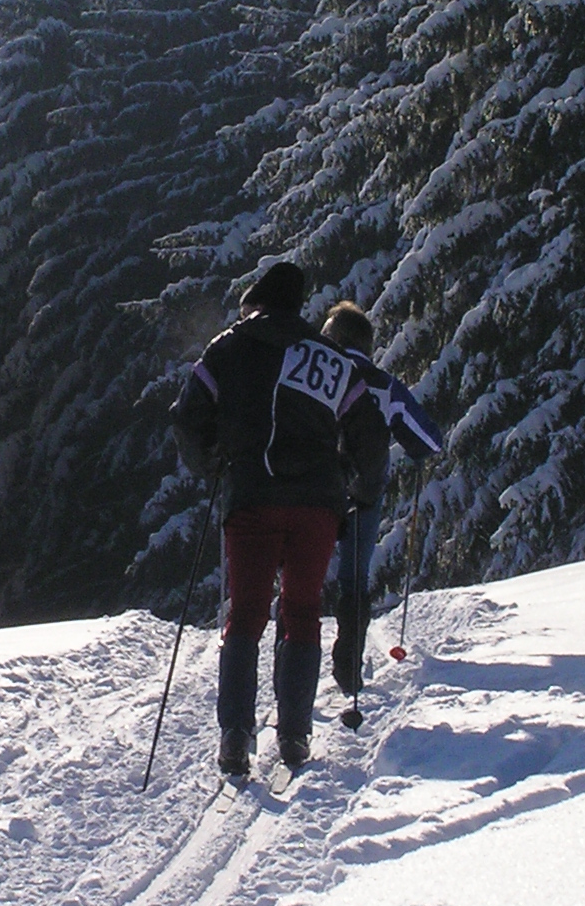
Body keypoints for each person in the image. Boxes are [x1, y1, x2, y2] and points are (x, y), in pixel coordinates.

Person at [170, 262, 380, 777]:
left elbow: (186, 416)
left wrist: (211, 464)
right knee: (303, 612)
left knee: (245, 614)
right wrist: (360, 487)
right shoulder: (329, 356)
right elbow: (371, 431)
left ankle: (235, 735)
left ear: (256, 305)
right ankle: (294, 735)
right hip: (317, 505)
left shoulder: (227, 348)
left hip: (251, 497)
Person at [319, 301, 443, 696]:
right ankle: (349, 667)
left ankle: (291, 670)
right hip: (364, 495)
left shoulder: (316, 373)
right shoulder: (383, 384)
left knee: (301, 578)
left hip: (315, 489)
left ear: (336, 337)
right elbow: (428, 441)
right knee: (354, 579)